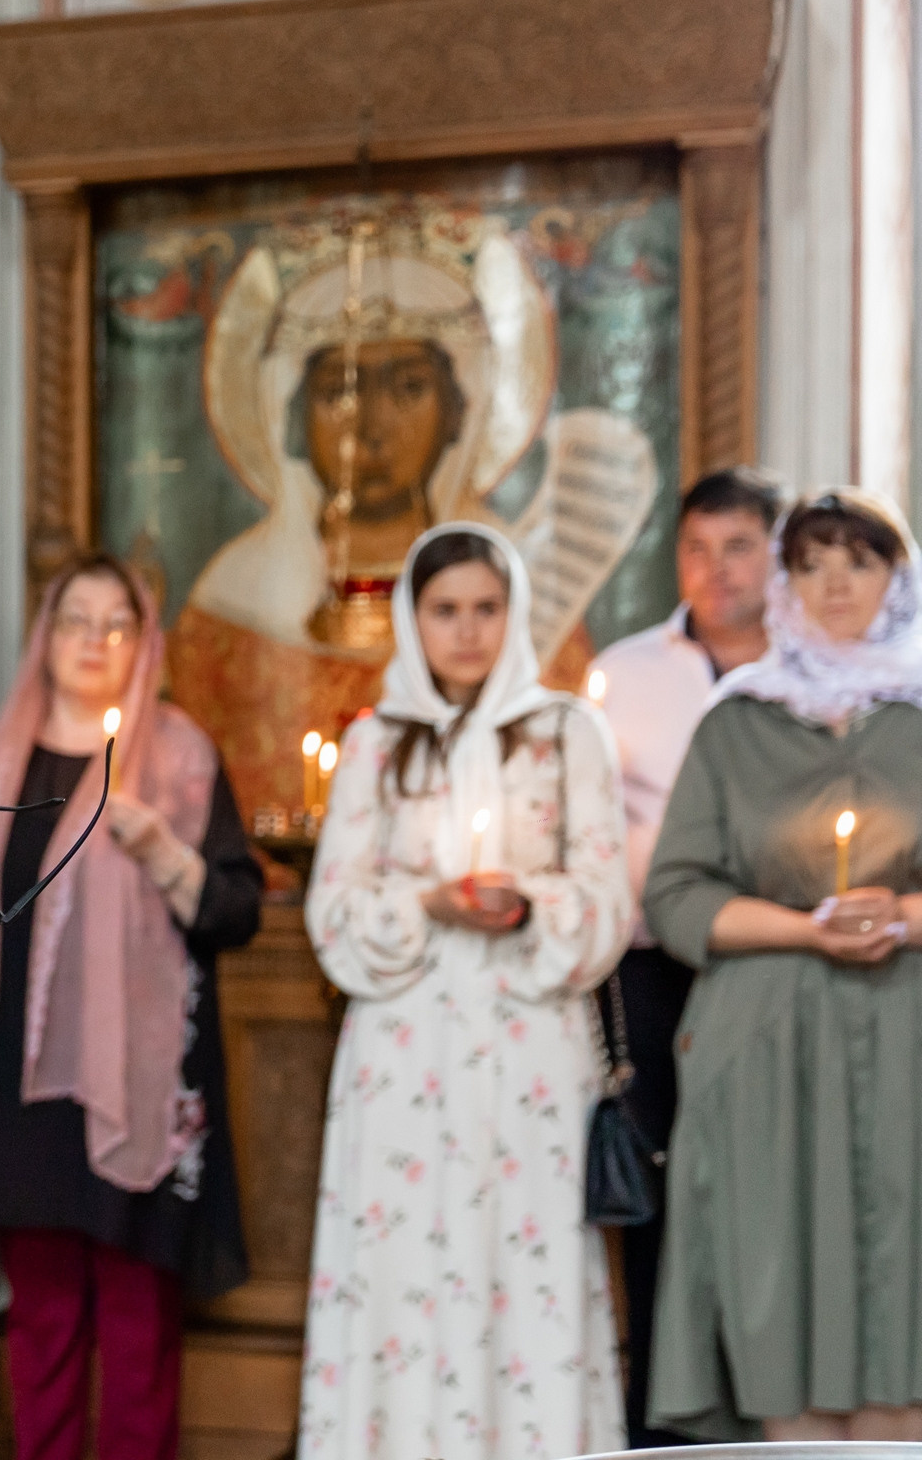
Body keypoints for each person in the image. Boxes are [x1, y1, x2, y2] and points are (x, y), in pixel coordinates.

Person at [300, 524, 629, 1460]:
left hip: (529, 1053)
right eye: (446, 611)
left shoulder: (570, 734)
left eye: (487, 609)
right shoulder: (374, 744)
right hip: (404, 1058)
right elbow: (333, 912)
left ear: (515, 613)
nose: (468, 631)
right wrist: (428, 902)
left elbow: (608, 901)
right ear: (414, 618)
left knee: (524, 1269)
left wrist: (530, 905)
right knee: (401, 1270)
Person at [0, 552, 263, 1460]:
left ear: (143, 643)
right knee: (41, 1321)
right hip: (15, 1082)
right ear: (46, 635)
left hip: (136, 1074)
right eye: (77, 619)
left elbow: (235, 912)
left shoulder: (178, 757)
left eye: (117, 624)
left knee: (135, 1314)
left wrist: (160, 849)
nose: (94, 641)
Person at [644, 487, 922, 1443]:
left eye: (860, 561)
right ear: (785, 584)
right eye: (812, 564)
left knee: (904, 1277)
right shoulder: (737, 723)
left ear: (898, 577)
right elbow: (675, 893)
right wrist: (808, 931)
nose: (836, 583)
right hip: (765, 1049)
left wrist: (907, 916)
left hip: (905, 1041)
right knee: (775, 1282)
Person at [586, 465, 781, 1448]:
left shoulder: (814, 669)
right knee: (657, 1194)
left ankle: (766, 1414)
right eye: (697, 547)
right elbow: (587, 820)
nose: (716, 570)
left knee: (764, 1194)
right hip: (652, 971)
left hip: (778, 968)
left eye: (739, 545)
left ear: (776, 551)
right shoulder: (627, 669)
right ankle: (661, 1424)